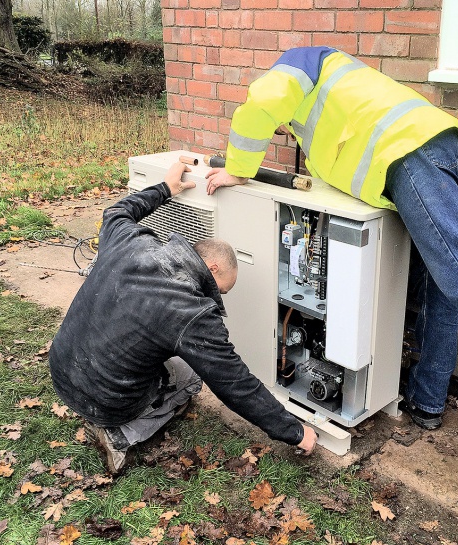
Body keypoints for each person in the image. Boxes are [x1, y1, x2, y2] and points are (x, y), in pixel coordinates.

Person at [205, 46, 458, 492]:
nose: (287, 129)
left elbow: (261, 103)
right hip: (439, 151)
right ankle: (427, 402)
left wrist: (239, 170)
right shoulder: (343, 88)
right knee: (444, 286)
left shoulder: (296, 64)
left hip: (412, 159)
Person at [49, 162, 318, 474]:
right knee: (190, 377)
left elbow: (116, 212)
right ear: (213, 269)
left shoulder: (131, 241)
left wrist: (165, 189)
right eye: (223, 291)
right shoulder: (190, 312)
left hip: (62, 369)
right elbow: (235, 384)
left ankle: (102, 401)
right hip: (106, 400)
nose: (218, 296)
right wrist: (295, 432)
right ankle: (119, 433)